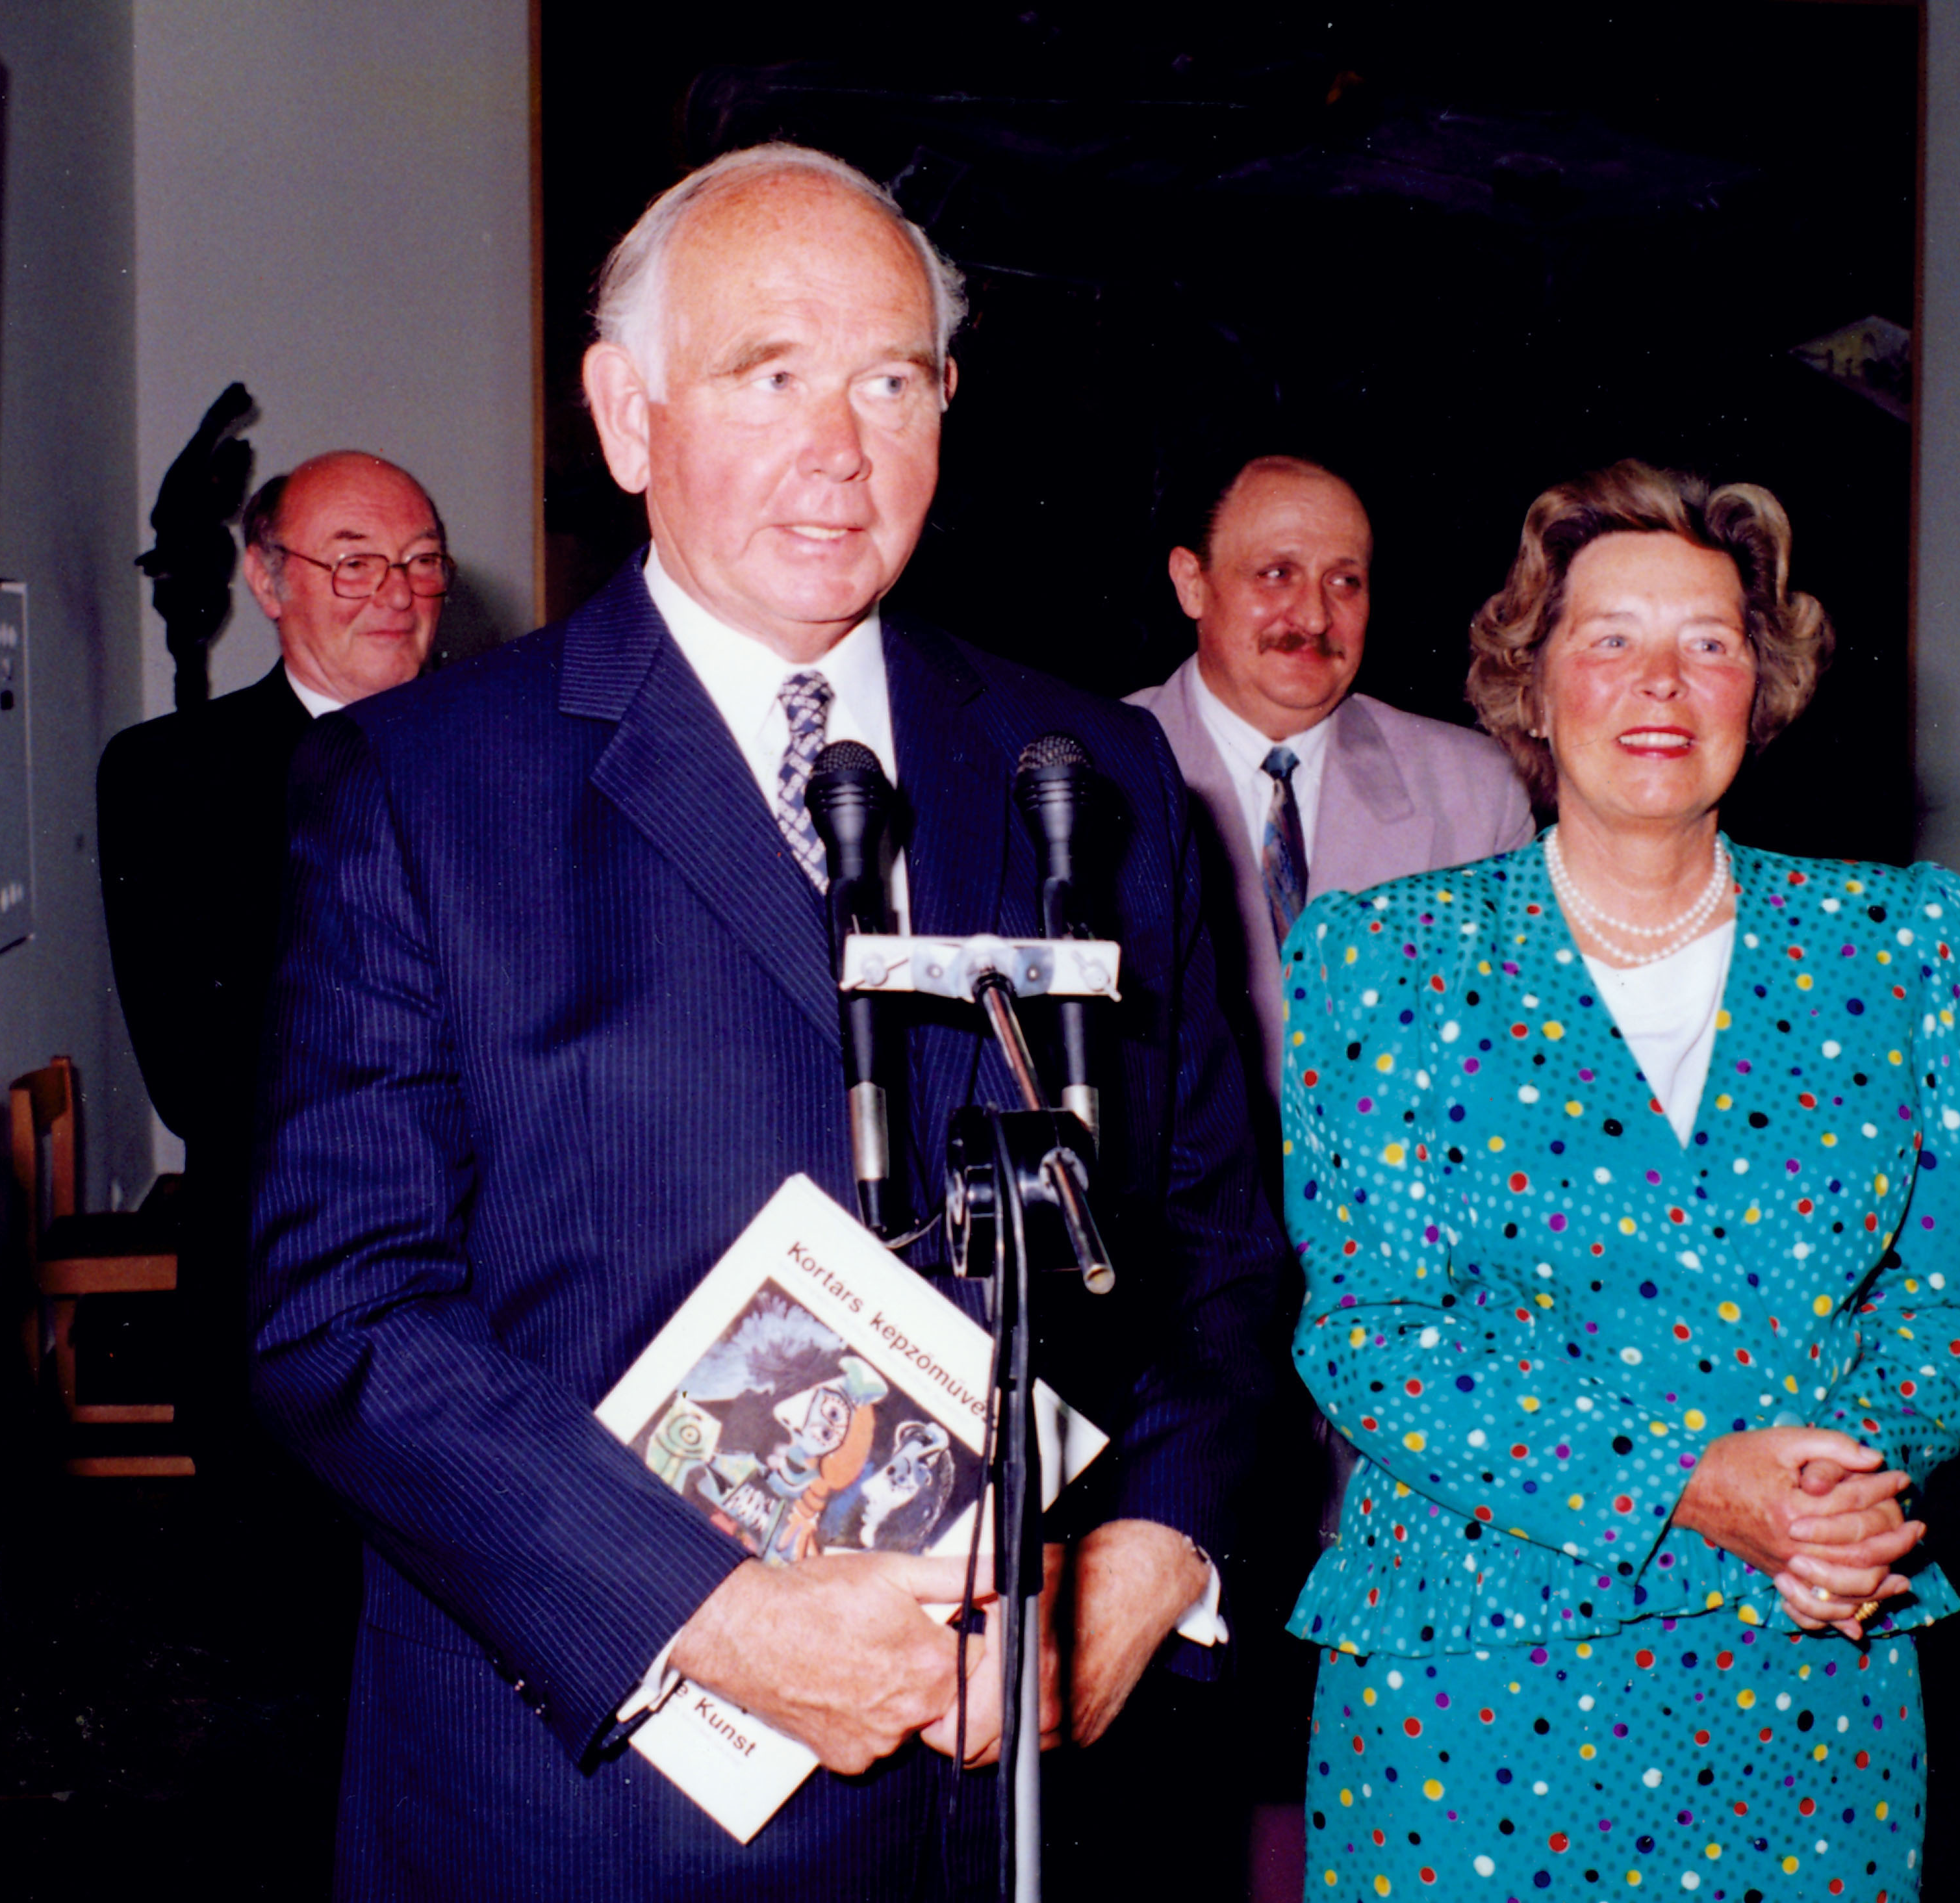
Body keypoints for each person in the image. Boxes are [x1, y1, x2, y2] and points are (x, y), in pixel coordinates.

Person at [247, 143, 1283, 1899]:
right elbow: (339, 1309)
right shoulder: (418, 787)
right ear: (626, 412)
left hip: (1009, 1793)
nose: (841, 446)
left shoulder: (1088, 774)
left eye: (892, 379)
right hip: (590, 1798)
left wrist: (1162, 1543)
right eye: (769, 374)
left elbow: (1215, 1246)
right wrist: (705, 1612)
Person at [1279, 460, 1960, 1901]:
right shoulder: (1384, 956)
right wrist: (1686, 1478)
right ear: (1530, 689)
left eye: (1711, 643)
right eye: (1608, 640)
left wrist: (1826, 1502)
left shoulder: (1895, 940)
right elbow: (1367, 1332)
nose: (1660, 683)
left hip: (1806, 1674)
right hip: (1472, 1688)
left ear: (1764, 685)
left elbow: (1944, 1313)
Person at [97, 448, 450, 1458]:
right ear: (267, 580)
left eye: (420, 561)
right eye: (353, 563)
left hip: (491, 1294)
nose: (394, 594)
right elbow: (196, 1077)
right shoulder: (166, 777)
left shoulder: (506, 753)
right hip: (280, 1279)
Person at [1131, 454, 1533, 1141]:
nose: (1315, 615)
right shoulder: (1096, 779)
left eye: (1344, 581)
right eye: (1277, 574)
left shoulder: (1474, 790)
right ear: (1191, 583)